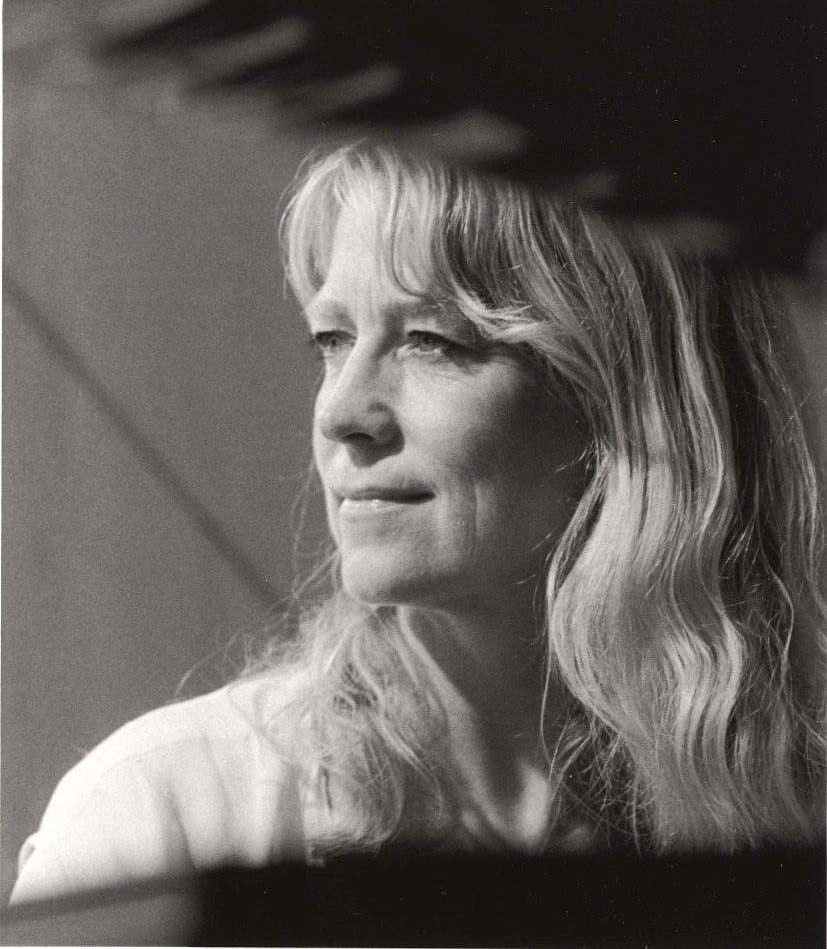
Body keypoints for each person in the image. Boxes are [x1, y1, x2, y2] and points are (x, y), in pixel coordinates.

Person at [11, 142, 826, 904]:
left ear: (627, 403)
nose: (340, 411)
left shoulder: (791, 818)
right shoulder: (164, 819)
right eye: (330, 339)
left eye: (432, 340)